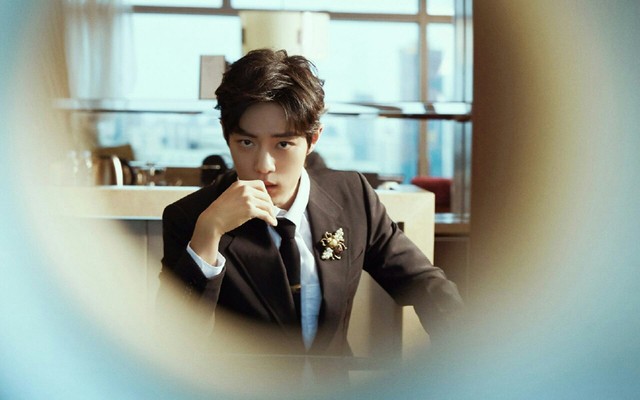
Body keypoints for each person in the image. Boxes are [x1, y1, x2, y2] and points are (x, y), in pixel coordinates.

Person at [159, 49, 463, 356]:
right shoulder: (191, 216)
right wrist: (208, 233)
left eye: (283, 144)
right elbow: (174, 339)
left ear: (313, 139)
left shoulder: (352, 195)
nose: (264, 165)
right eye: (246, 142)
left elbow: (422, 282)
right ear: (227, 137)